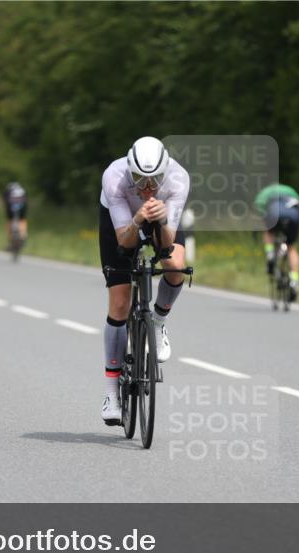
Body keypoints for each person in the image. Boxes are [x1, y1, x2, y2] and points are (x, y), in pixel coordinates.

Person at [98, 136, 190, 425]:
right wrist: (138, 219)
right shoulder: (114, 178)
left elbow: (166, 246)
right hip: (124, 219)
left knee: (175, 265)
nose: (147, 187)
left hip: (161, 217)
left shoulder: (178, 179)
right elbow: (124, 242)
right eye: (139, 178)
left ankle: (159, 321)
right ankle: (112, 394)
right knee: (121, 302)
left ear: (165, 172)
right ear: (129, 169)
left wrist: (162, 221)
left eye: (154, 180)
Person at [254, 183, 299, 300]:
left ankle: (270, 254)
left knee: (268, 231)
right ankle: (294, 280)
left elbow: (259, 214)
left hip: (275, 213)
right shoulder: (291, 190)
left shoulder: (264, 193)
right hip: (293, 216)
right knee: (291, 248)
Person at [3, 181, 28, 258]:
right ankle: (23, 236)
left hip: (10, 206)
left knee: (9, 221)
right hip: (22, 206)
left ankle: (10, 239)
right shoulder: (22, 190)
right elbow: (26, 200)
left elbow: (4, 201)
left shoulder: (8, 190)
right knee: (22, 220)